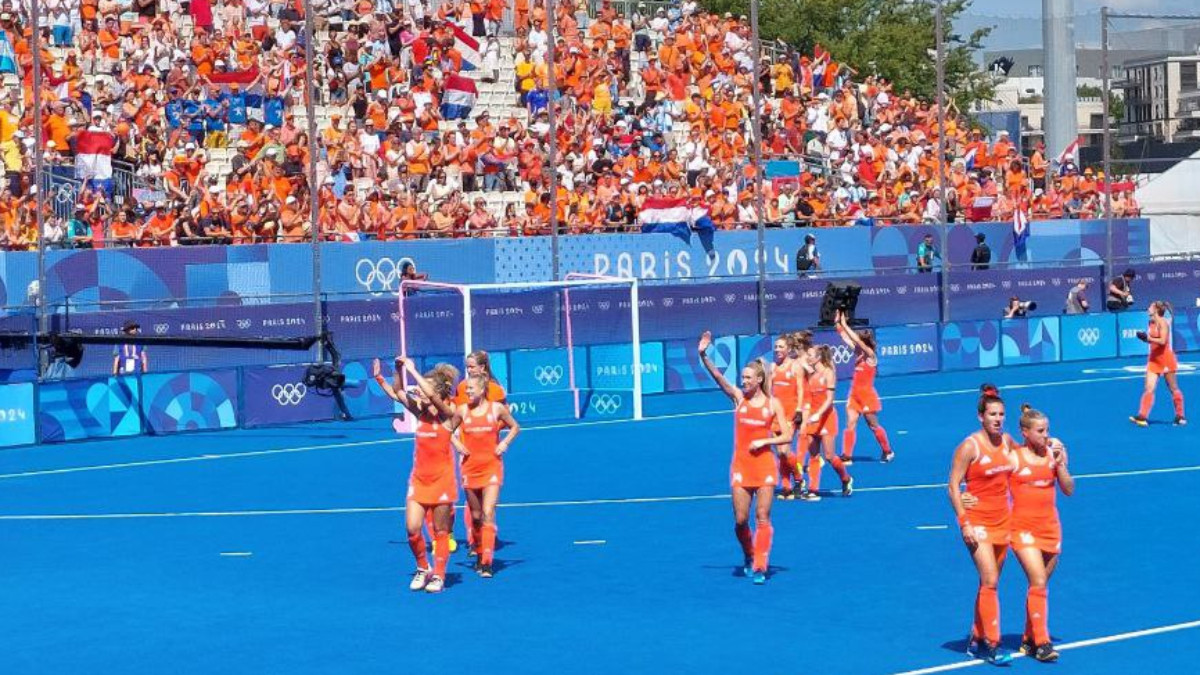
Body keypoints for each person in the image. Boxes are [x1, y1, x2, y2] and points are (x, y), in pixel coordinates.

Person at [698, 330, 793, 584]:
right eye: (742, 377)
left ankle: (761, 565)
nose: (743, 381)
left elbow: (787, 435)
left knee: (762, 516)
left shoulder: (773, 405)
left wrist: (766, 440)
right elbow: (719, 377)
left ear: (760, 379)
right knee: (740, 521)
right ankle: (749, 554)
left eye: (748, 378)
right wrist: (703, 354)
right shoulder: (738, 399)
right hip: (741, 466)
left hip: (764, 466)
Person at [373, 357, 464, 594]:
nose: (420, 392)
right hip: (419, 480)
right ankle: (423, 568)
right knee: (412, 529)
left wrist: (414, 370)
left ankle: (439, 575)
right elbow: (399, 391)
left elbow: (434, 398)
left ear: (439, 391)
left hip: (443, 480)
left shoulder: (450, 413)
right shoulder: (420, 411)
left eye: (425, 388)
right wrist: (398, 369)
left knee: (441, 532)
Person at [947, 385, 1016, 665]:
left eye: (1001, 414)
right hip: (977, 523)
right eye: (992, 414)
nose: (998, 419)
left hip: (1004, 520)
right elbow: (953, 485)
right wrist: (964, 522)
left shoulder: (1009, 442)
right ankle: (991, 643)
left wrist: (1054, 449)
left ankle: (975, 637)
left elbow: (1027, 462)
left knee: (990, 583)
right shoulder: (969, 447)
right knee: (989, 580)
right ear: (981, 417)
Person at [1007, 405, 1075, 662]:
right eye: (1040, 431)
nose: (1046, 435)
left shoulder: (1054, 452)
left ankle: (1028, 638)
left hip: (1050, 528)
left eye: (1047, 430)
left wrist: (1061, 465)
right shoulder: (1014, 458)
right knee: (1037, 581)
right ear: (1024, 432)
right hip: (1022, 529)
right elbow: (991, 484)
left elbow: (1069, 489)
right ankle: (1043, 643)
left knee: (1040, 585)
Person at [456, 373, 520, 578]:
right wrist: (458, 445)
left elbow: (515, 427)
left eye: (471, 389)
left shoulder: (496, 409)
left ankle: (487, 562)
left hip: (492, 467)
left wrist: (504, 443)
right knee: (475, 517)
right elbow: (446, 430)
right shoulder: (463, 411)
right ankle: (478, 550)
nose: (467, 392)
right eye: (466, 389)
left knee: (488, 511)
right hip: (470, 468)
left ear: (482, 390)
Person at [835, 311, 894, 464]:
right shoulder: (859, 353)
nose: (856, 343)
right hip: (854, 395)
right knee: (850, 424)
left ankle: (887, 451)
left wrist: (846, 324)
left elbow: (856, 341)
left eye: (859, 341)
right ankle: (846, 456)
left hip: (867, 396)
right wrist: (838, 324)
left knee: (873, 425)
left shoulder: (870, 355)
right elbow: (845, 338)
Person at [797, 344, 853, 501]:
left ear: (818, 357)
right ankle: (813, 489)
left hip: (827, 418)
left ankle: (846, 479)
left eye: (810, 355)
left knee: (829, 455)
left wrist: (818, 415)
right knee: (813, 454)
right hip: (812, 419)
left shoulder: (829, 373)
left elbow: (829, 399)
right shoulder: (810, 374)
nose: (808, 357)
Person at [1131, 301, 1187, 426]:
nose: (1148, 307)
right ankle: (1142, 416)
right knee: (1149, 388)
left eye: (1150, 306)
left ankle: (1180, 416)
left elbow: (1162, 341)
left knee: (1173, 388)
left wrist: (1147, 338)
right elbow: (1152, 341)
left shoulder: (1163, 322)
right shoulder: (1151, 322)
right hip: (1153, 359)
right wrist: (1145, 339)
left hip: (1166, 359)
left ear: (1156, 309)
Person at [768, 334, 805, 499]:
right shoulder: (772, 367)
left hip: (790, 415)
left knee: (785, 450)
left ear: (788, 349)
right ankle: (786, 486)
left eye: (781, 347)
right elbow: (768, 392)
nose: (777, 350)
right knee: (780, 453)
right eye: (776, 347)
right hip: (775, 415)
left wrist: (799, 410)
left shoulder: (795, 366)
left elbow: (800, 389)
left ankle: (798, 478)